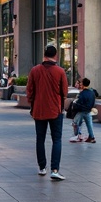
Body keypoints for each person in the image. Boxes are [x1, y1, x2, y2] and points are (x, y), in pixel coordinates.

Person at [27, 45, 68, 181]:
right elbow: (65, 92)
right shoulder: (60, 71)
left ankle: (42, 167)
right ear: (56, 55)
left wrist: (32, 104)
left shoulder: (35, 70)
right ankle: (55, 170)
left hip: (38, 110)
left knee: (40, 139)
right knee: (56, 139)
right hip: (55, 110)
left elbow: (30, 90)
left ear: (44, 55)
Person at [68, 77, 97, 143]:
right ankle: (91, 137)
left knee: (75, 123)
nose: (80, 84)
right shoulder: (92, 93)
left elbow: (79, 103)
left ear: (83, 84)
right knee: (89, 124)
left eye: (81, 83)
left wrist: (74, 106)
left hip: (81, 111)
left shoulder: (82, 93)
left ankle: (77, 136)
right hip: (88, 111)